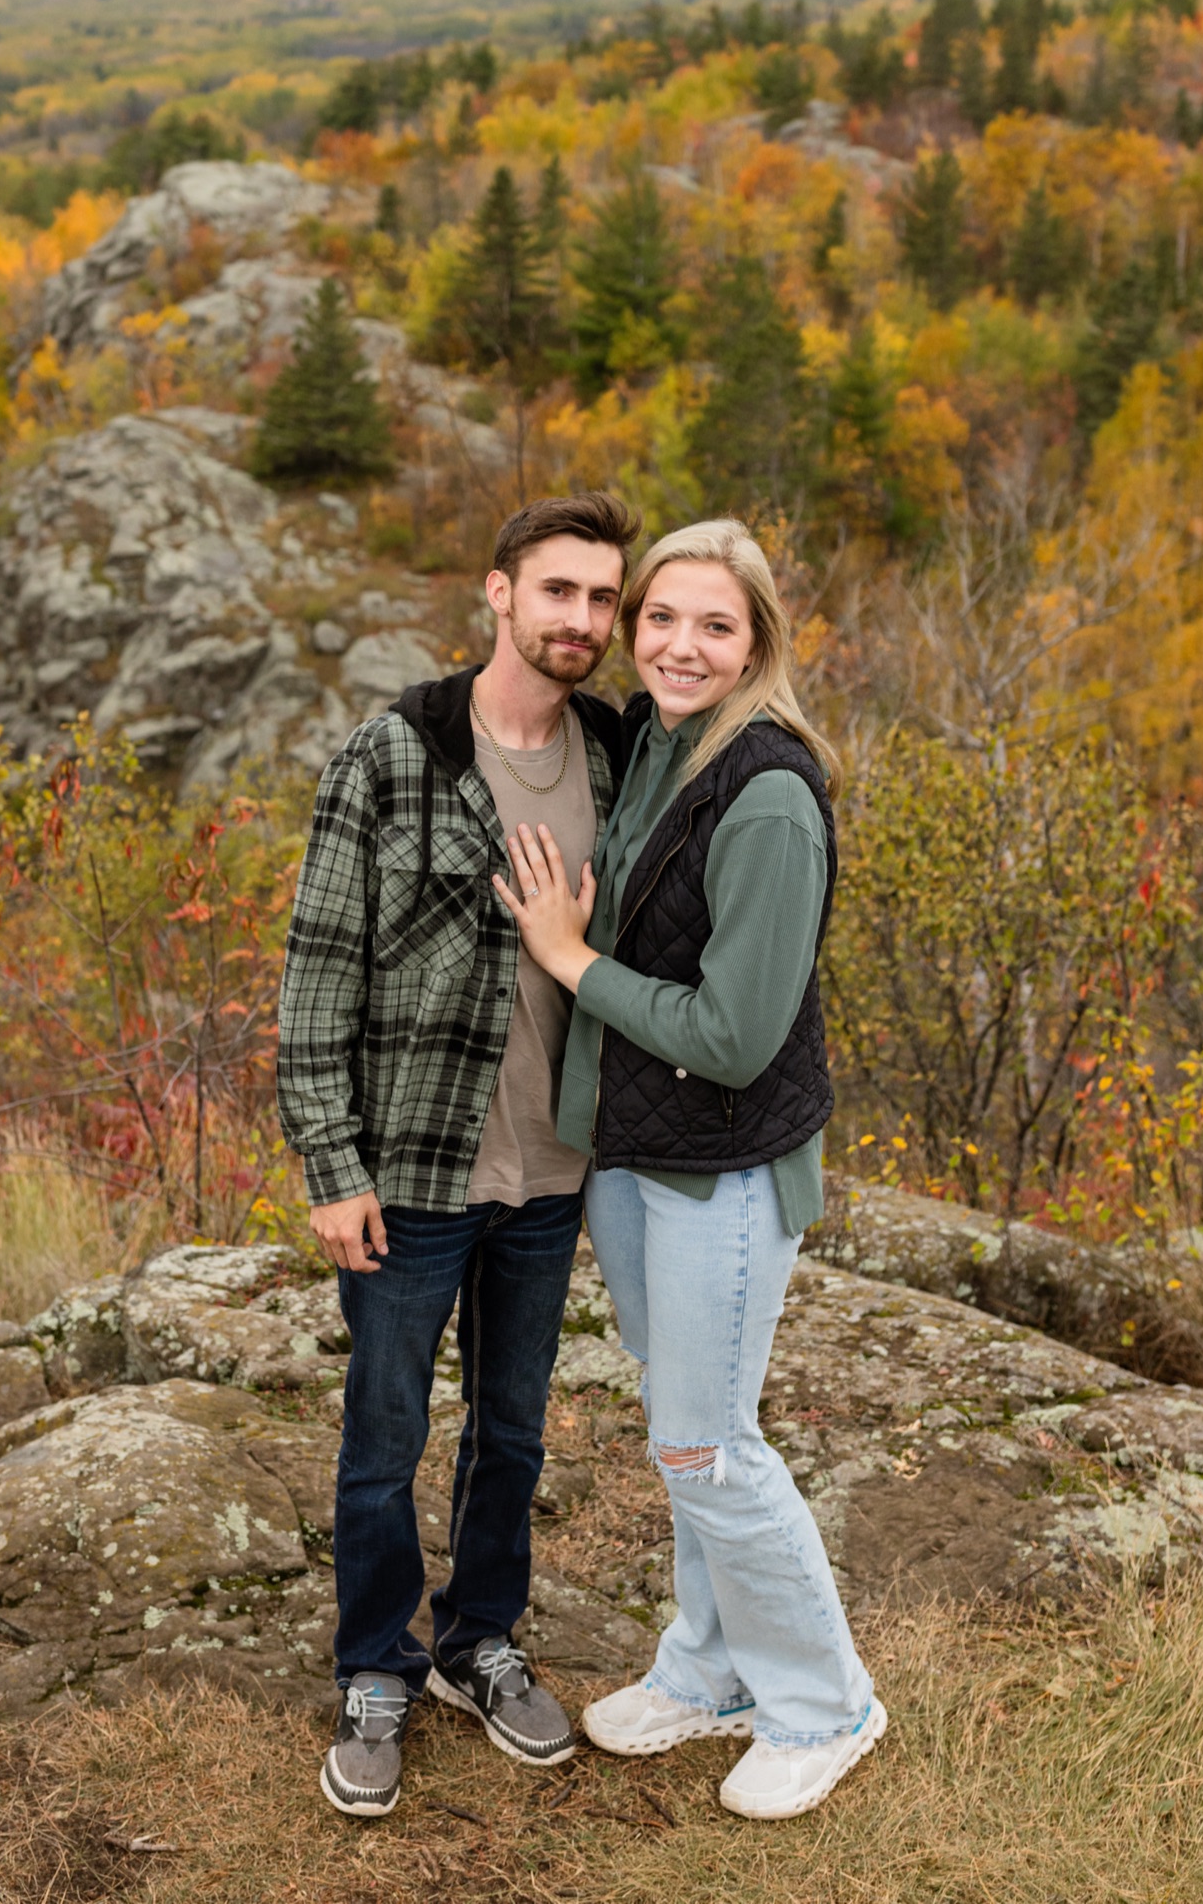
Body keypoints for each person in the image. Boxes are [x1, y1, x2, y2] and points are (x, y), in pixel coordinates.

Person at [492, 518, 885, 1824]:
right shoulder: (657, 745)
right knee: (684, 1440)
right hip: (639, 1153)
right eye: (662, 616)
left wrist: (571, 958)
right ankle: (709, 1668)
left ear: (758, 640)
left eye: (716, 624)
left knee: (710, 1443)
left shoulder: (767, 791)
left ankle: (825, 1704)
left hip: (723, 1166)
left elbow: (733, 1033)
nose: (680, 643)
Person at [276, 491, 640, 1818]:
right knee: (384, 1432)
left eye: (604, 600)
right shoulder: (396, 754)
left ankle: (479, 1640)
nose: (583, 623)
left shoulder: (616, 754)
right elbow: (317, 976)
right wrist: (333, 1162)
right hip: (413, 1174)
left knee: (515, 1425)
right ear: (499, 593)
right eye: (560, 593)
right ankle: (378, 1661)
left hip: (556, 1170)